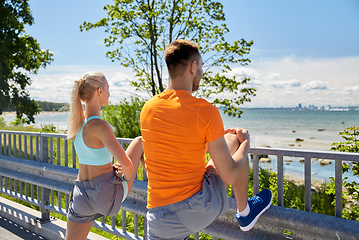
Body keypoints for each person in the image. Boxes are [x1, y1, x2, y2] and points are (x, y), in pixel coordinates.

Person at [140, 40, 272, 239]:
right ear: (193, 67)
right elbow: (228, 176)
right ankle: (245, 213)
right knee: (232, 138)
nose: (201, 72)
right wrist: (245, 144)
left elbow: (176, 149)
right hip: (193, 210)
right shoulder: (204, 110)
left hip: (157, 216)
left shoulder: (148, 108)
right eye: (201, 66)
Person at [65, 72, 143, 240]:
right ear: (99, 91)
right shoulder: (101, 126)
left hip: (81, 195)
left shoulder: (76, 125)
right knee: (139, 142)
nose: (109, 93)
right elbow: (128, 166)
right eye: (108, 89)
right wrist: (122, 175)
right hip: (105, 195)